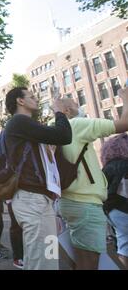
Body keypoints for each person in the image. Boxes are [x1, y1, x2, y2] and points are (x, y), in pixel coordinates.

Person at [57, 87, 128, 270]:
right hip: (85, 202)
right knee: (89, 263)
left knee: (81, 259)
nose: (77, 104)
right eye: (73, 102)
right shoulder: (77, 124)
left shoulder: (54, 128)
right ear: (66, 111)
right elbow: (124, 123)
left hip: (69, 200)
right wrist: (125, 97)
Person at [4, 87, 72, 270]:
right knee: (44, 263)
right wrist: (58, 111)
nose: (36, 99)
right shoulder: (19, 121)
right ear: (20, 101)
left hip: (40, 200)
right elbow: (64, 135)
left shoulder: (26, 128)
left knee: (44, 258)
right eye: (31, 96)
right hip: (33, 200)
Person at [101, 133, 128, 269]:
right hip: (125, 208)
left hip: (112, 212)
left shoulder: (106, 168)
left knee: (123, 246)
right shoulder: (126, 164)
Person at [6, 199, 24, 269]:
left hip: (24, 200)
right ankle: (18, 258)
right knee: (16, 228)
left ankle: (22, 256)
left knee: (22, 229)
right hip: (13, 200)